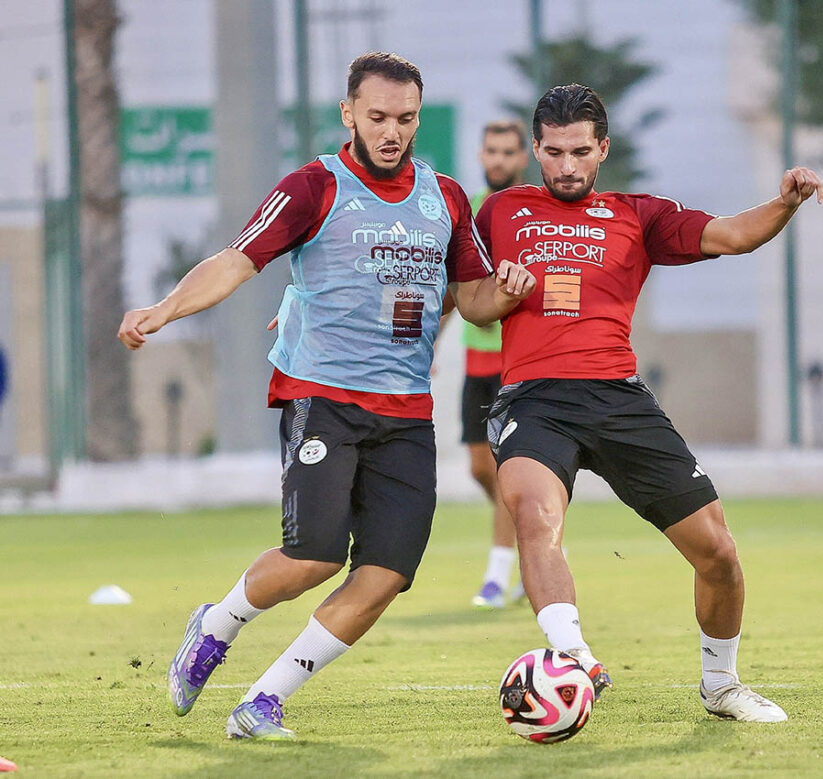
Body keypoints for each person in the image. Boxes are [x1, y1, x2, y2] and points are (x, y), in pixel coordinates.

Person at [117, 52, 534, 740]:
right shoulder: (314, 186)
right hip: (325, 396)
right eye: (377, 117)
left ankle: (263, 700)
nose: (392, 130)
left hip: (407, 412)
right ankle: (215, 624)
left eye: (405, 118)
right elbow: (236, 259)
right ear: (349, 115)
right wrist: (164, 310)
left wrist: (508, 290)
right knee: (312, 558)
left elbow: (476, 302)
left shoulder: (448, 199)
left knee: (386, 574)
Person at [475, 83, 823, 723]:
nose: (568, 166)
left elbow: (732, 236)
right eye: (554, 153)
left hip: (617, 398)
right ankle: (573, 656)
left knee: (717, 551)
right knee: (533, 513)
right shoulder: (500, 212)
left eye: (580, 151)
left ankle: (721, 685)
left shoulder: (638, 214)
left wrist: (786, 201)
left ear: (603, 149)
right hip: (534, 398)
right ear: (535, 150)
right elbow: (443, 282)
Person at [464, 120, 530, 609]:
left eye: (508, 151)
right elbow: (452, 286)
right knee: (479, 468)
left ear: (522, 157)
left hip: (516, 365)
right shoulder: (465, 209)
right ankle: (536, 538)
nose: (499, 160)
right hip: (474, 361)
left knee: (508, 470)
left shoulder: (529, 213)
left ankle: (498, 574)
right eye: (492, 151)